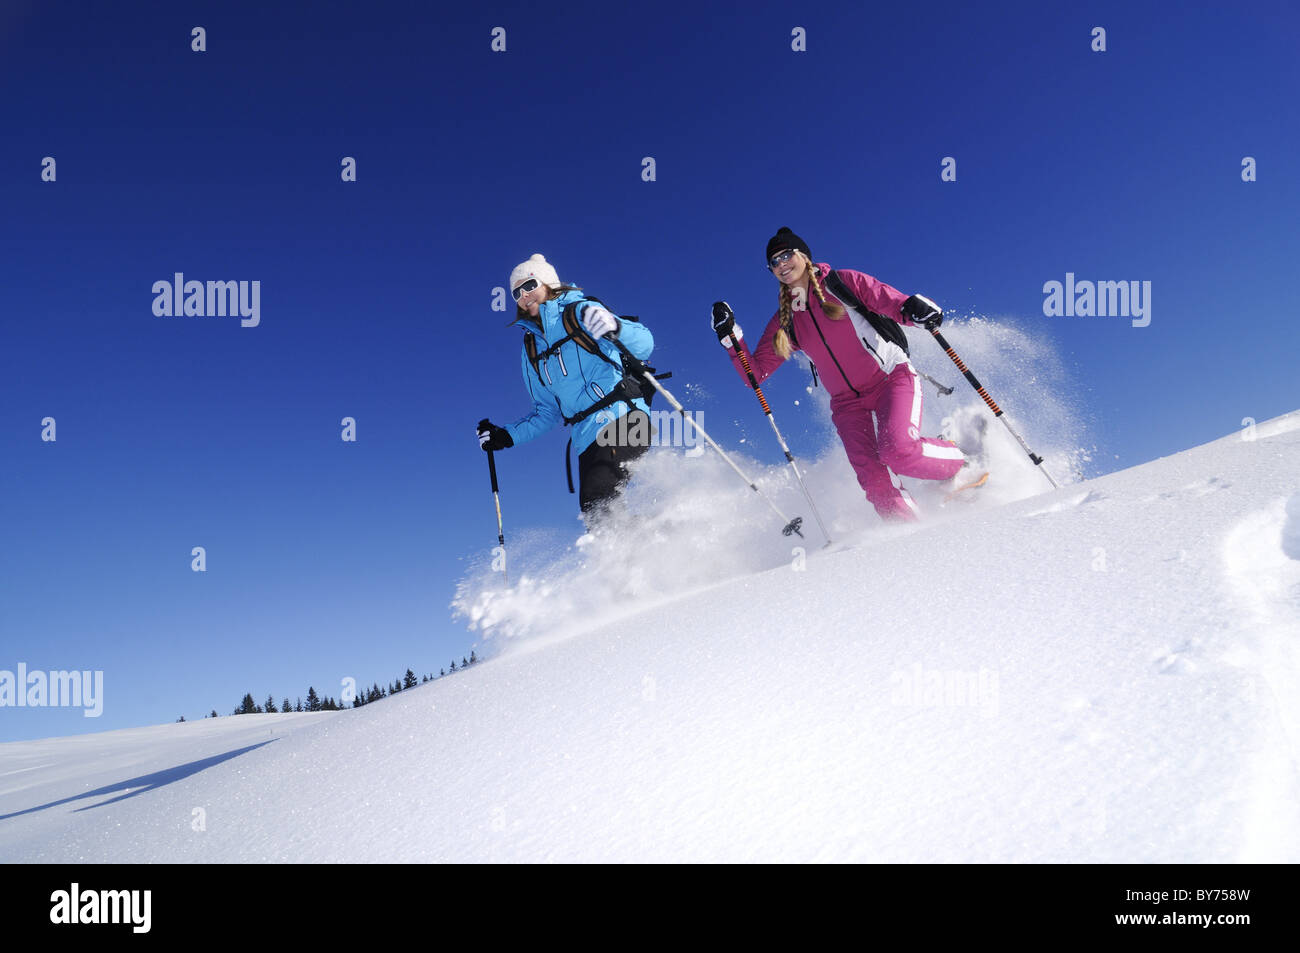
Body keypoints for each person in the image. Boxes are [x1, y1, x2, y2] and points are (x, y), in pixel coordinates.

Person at [712, 227, 978, 521]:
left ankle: (962, 461)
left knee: (898, 450)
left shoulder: (842, 283)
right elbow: (756, 374)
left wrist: (913, 308)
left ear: (803, 255)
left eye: (786, 255)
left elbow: (888, 300)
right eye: (773, 262)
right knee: (874, 483)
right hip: (847, 404)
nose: (780, 265)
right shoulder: (784, 320)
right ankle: (910, 534)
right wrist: (730, 339)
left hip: (890, 377)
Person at [477, 254, 656, 520]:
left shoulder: (580, 312)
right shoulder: (531, 349)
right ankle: (654, 548)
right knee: (595, 512)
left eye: (529, 285)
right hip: (586, 439)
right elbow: (546, 412)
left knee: (599, 499)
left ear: (548, 283)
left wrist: (616, 328)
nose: (524, 296)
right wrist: (506, 436)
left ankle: (641, 554)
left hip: (626, 418)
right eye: (516, 292)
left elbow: (645, 343)